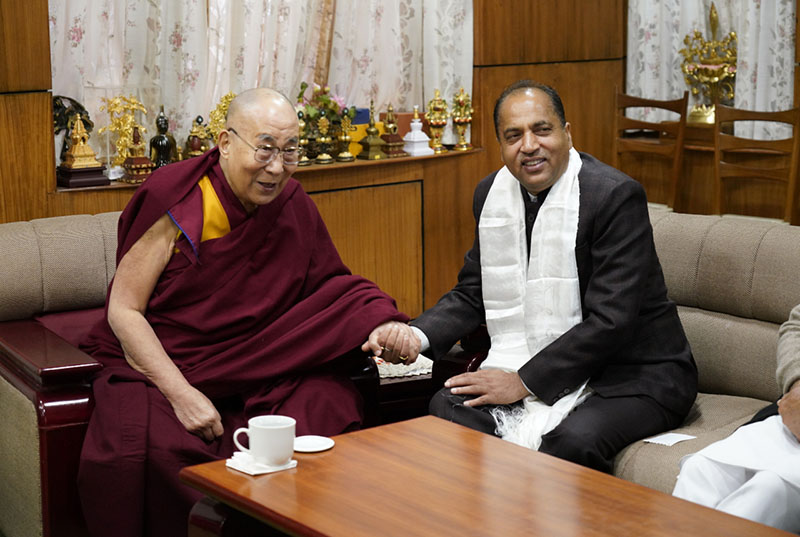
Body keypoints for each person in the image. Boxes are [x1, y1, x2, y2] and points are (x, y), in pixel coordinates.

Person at [77, 88, 417, 537]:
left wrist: (381, 322)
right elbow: (124, 310)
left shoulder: (292, 202)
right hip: (173, 364)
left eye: (289, 151)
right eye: (265, 149)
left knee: (326, 402)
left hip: (262, 362)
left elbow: (332, 289)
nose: (277, 167)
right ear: (225, 142)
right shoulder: (177, 198)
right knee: (150, 443)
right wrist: (182, 394)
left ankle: (307, 524)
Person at [409, 80, 698, 473]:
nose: (528, 145)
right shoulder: (491, 195)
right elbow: (475, 290)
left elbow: (613, 320)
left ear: (567, 133)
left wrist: (524, 381)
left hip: (632, 374)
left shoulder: (614, 196)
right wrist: (416, 335)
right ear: (501, 146)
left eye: (541, 130)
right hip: (536, 362)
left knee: (570, 440)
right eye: (513, 136)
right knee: (447, 408)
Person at [672, 303, 800, 532]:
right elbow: (796, 326)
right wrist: (797, 384)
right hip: (791, 414)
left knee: (771, 488)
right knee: (700, 470)